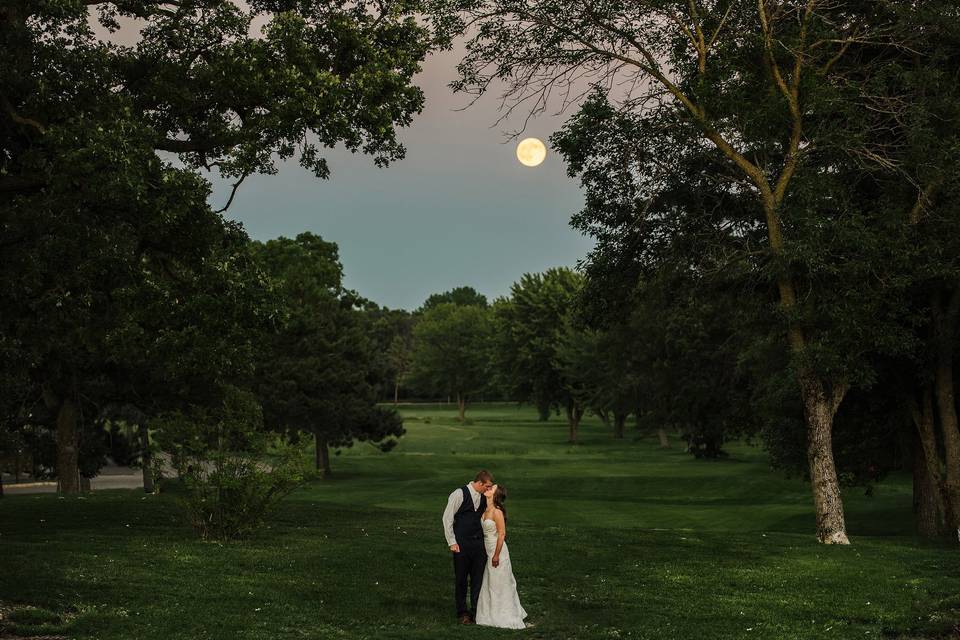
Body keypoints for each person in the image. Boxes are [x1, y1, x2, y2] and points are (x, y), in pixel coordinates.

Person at [441, 470, 494, 624]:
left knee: (478, 579)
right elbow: (447, 518)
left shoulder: (485, 496)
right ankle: (462, 612)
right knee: (461, 579)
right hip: (461, 544)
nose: (489, 489)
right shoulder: (459, 494)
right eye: (487, 486)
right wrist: (452, 542)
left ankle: (477, 611)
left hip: (479, 545)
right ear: (479, 483)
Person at [474, 484, 528, 629]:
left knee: (499, 582)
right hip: (486, 549)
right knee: (489, 582)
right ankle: (488, 613)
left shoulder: (497, 512)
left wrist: (496, 555)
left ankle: (504, 614)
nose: (488, 489)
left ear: (495, 494)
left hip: (497, 550)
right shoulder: (484, 509)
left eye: (491, 488)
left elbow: (502, 534)